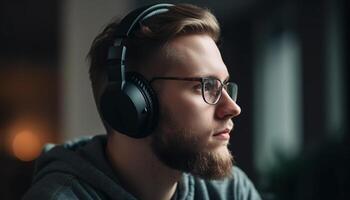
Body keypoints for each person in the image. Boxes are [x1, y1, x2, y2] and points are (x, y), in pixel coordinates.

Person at [23, 3, 261, 200]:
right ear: (133, 104)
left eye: (224, 85)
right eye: (206, 86)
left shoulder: (229, 191)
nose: (233, 108)